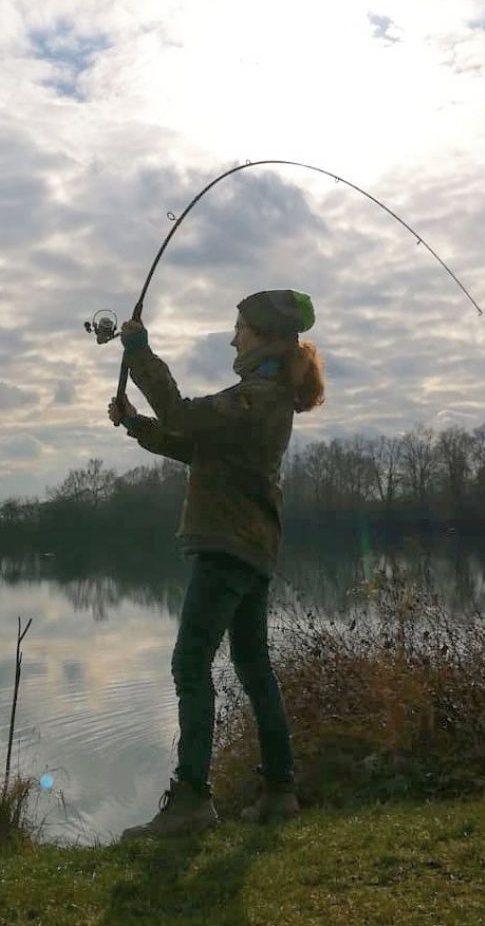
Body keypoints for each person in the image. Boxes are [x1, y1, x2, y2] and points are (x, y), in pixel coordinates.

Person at [108, 289, 325, 839]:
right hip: (249, 548)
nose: (233, 337)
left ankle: (191, 801)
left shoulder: (258, 396)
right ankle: (279, 792)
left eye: (240, 328)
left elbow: (181, 414)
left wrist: (139, 353)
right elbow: (194, 446)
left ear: (266, 336)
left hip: (227, 547)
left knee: (189, 664)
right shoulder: (264, 396)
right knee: (254, 667)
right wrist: (137, 425)